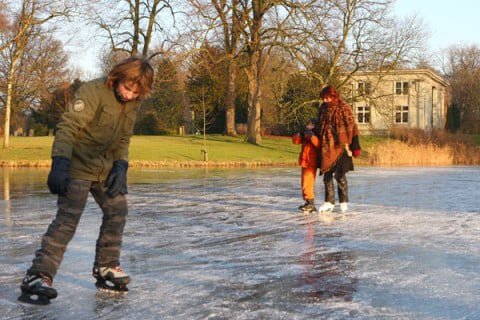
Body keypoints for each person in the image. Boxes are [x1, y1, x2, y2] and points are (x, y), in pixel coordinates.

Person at [18, 56, 154, 305]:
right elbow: (68, 126)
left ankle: (107, 266)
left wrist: (121, 165)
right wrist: (60, 162)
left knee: (117, 210)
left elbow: (124, 137)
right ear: (118, 77)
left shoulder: (133, 103)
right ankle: (38, 275)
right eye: (126, 88)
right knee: (67, 221)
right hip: (78, 165)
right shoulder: (93, 91)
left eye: (135, 92)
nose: (128, 95)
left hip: (105, 169)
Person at [314, 85, 360, 213]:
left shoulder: (343, 107)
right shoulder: (322, 108)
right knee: (327, 174)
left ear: (334, 96)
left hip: (341, 146)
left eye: (328, 98)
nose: (325, 100)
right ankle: (329, 201)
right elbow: (319, 124)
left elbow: (352, 126)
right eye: (324, 98)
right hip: (326, 145)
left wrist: (355, 145)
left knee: (340, 175)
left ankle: (343, 202)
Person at [292, 118, 320, 213]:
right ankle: (308, 202)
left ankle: (311, 203)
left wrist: (312, 137)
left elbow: (319, 145)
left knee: (308, 183)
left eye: (311, 125)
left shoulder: (316, 133)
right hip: (304, 161)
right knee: (304, 183)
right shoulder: (305, 133)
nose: (309, 126)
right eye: (308, 124)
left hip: (311, 162)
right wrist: (298, 135)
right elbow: (295, 141)